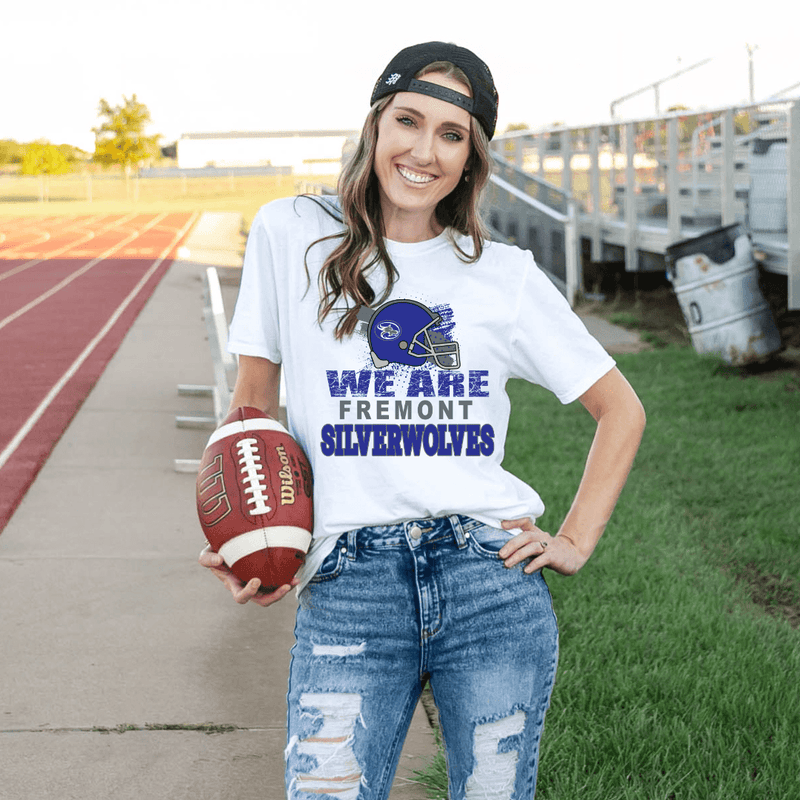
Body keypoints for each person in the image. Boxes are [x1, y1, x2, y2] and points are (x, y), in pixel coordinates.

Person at [199, 41, 646, 799]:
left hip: (487, 579)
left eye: (452, 134)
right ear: (377, 123)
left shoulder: (501, 275)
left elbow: (621, 410)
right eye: (409, 120)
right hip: (349, 581)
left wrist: (573, 539)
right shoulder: (292, 234)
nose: (424, 150)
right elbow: (252, 404)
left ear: (470, 159)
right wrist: (256, 533)